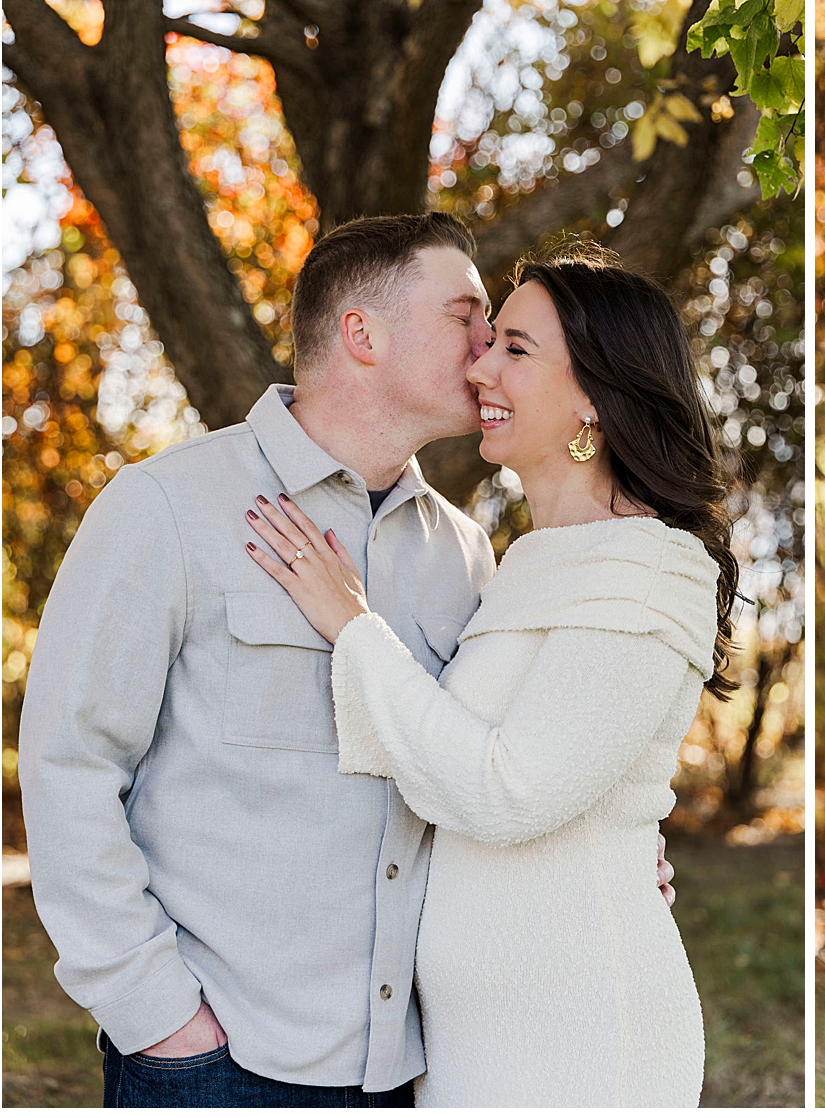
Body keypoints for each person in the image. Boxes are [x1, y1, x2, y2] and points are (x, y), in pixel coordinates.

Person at [241, 242, 736, 1107]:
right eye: (485, 340)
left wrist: (353, 627)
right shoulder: (523, 564)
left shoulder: (652, 567)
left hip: (579, 1036)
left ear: (595, 395)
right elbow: (472, 771)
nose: (480, 368)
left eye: (516, 348)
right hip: (473, 1042)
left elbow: (511, 791)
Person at [20, 213, 500, 1104]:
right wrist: (156, 1015)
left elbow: (478, 774)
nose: (490, 344)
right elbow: (67, 766)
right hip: (217, 1063)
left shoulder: (466, 554)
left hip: (409, 1069)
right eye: (464, 315)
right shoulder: (166, 506)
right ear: (362, 334)